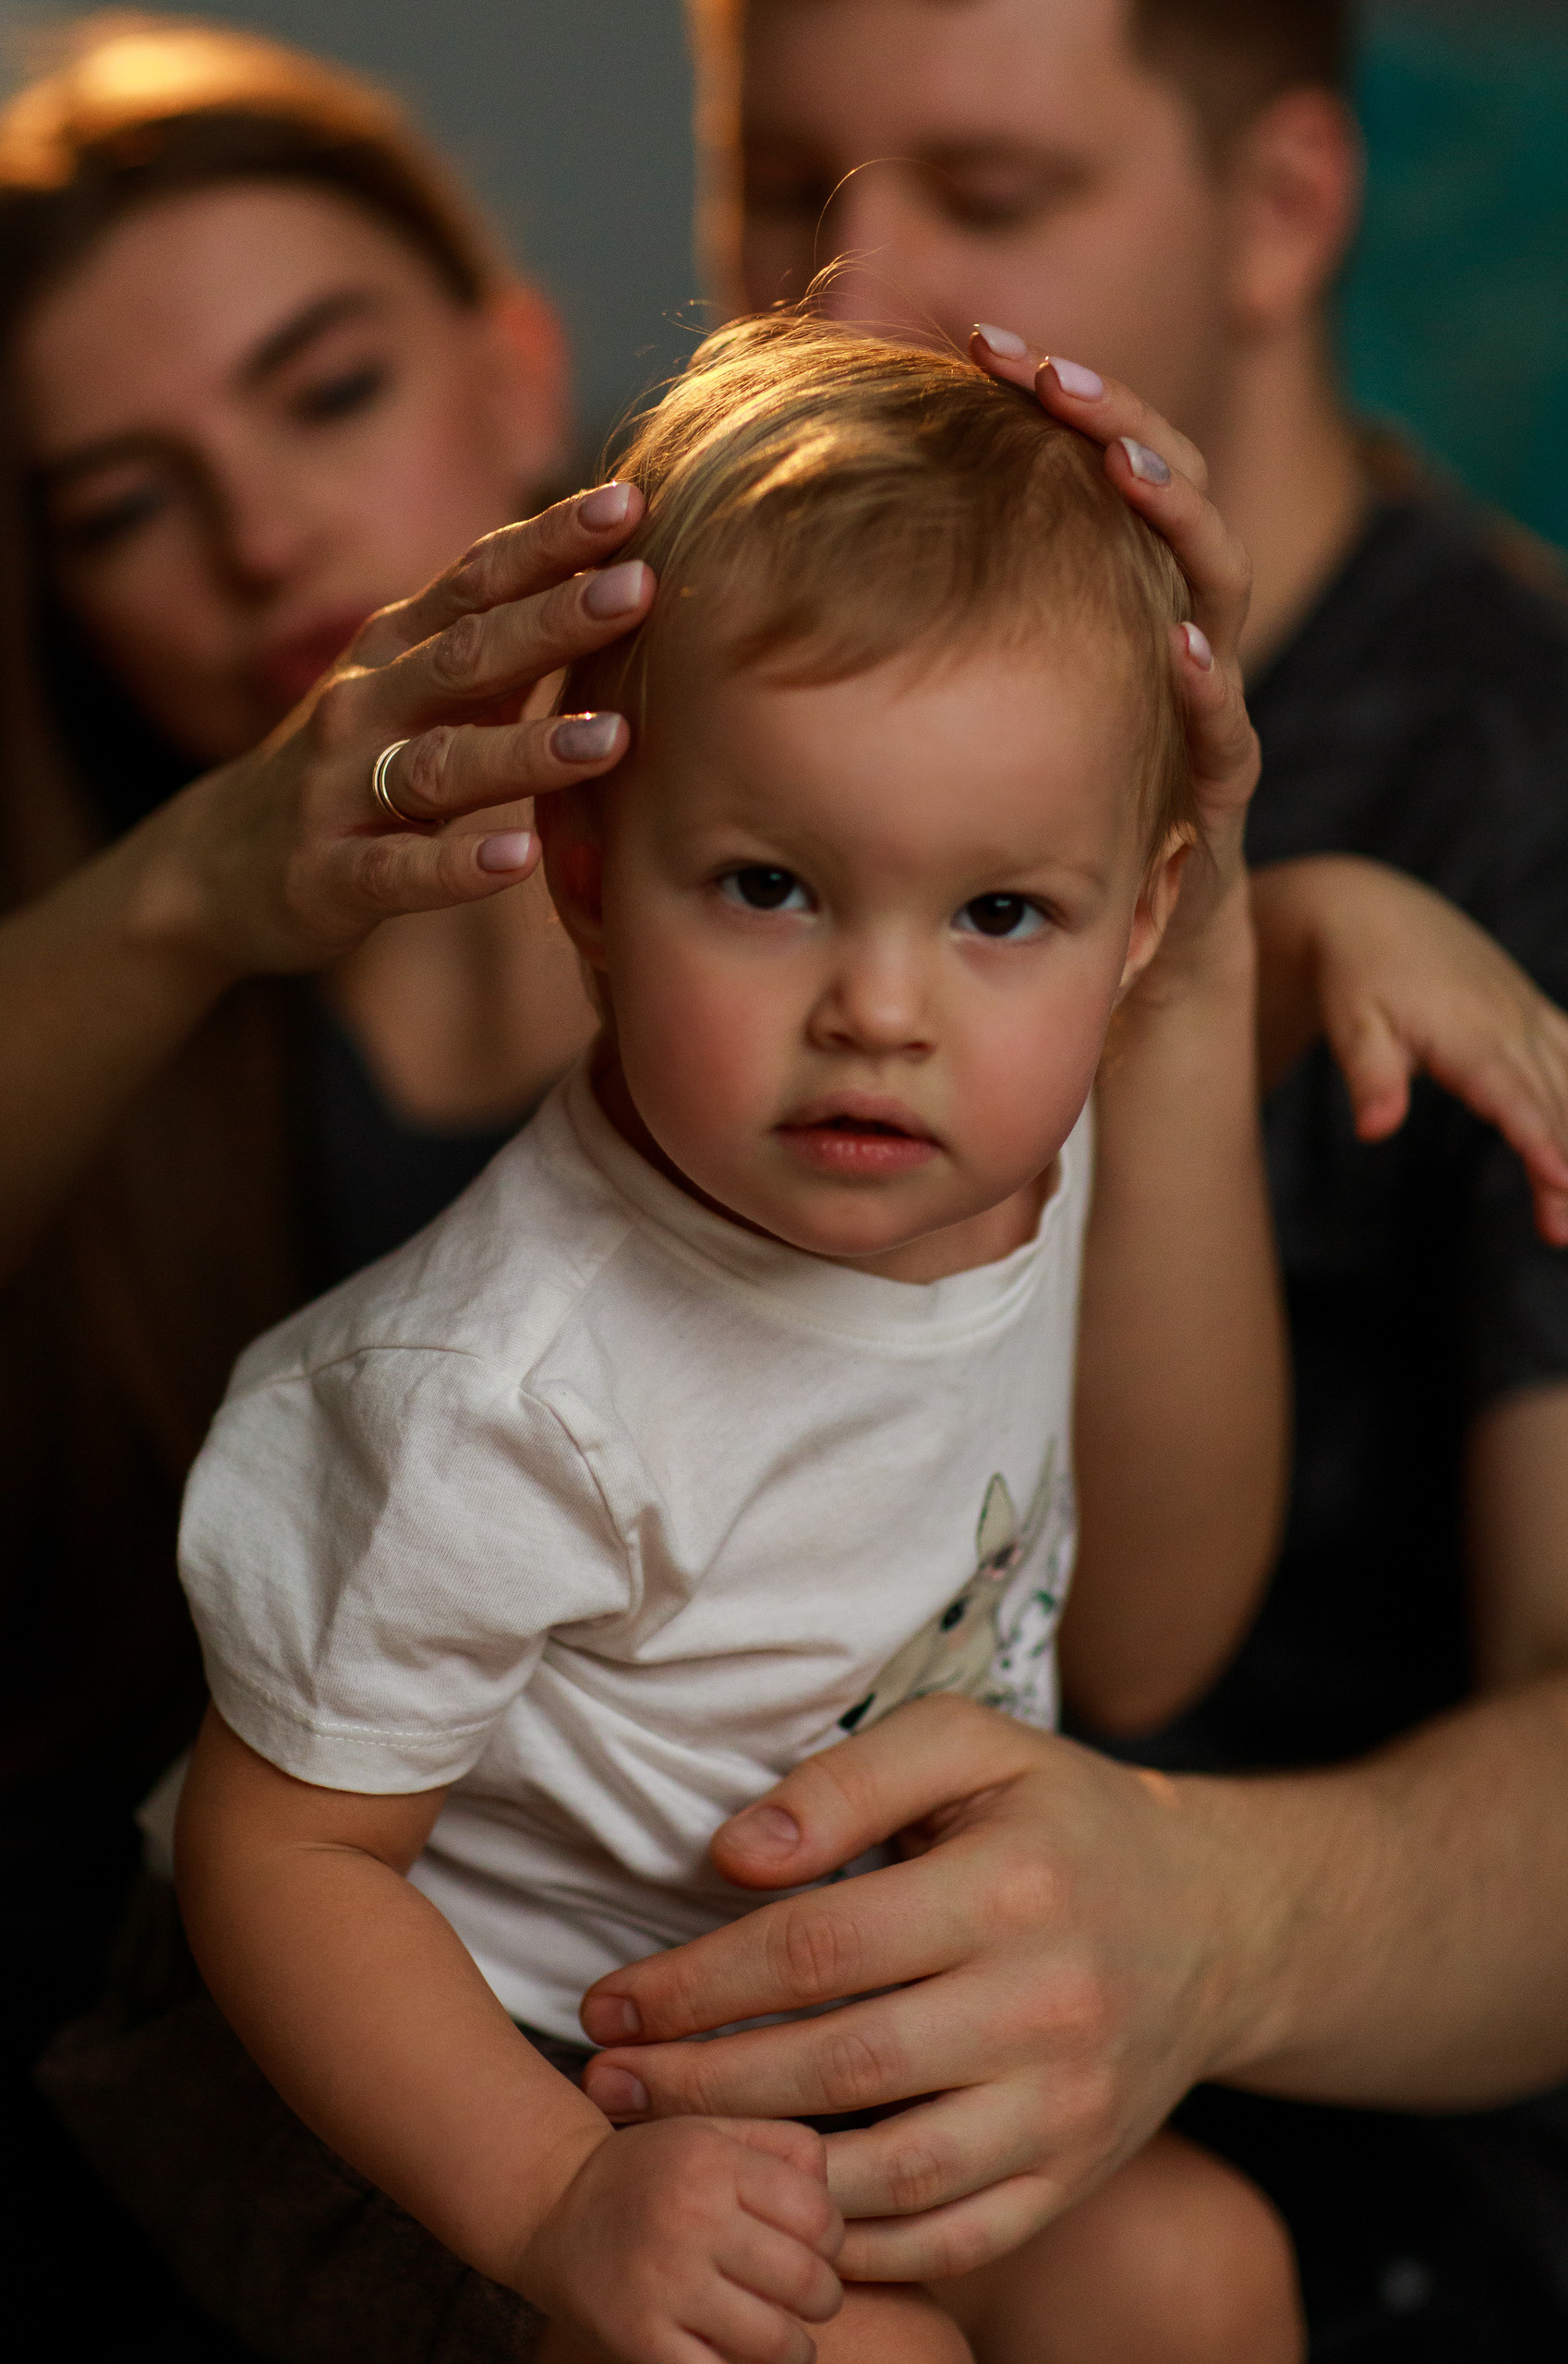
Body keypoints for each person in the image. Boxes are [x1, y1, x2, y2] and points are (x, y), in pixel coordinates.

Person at [546, 3, 1568, 2349]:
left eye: (991, 202)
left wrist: (1213, 1921)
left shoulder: (1516, 777)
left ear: (1287, 209)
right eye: (777, 194)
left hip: (1328, 2126)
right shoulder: (699, 628)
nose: (855, 307)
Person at [170, 311, 1298, 2364]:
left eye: (995, 915)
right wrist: (556, 2194)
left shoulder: (1018, 1166)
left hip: (797, 2044)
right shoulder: (493, 1391)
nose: (884, 1007)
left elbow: (1150, 1616)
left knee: (1198, 2271)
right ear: (589, 874)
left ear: (1140, 922)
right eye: (771, 885)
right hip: (430, 2066)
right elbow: (280, 1862)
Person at [0, 18, 657, 2350]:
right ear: (42, 594)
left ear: (511, 372)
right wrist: (196, 886)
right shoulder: (48, 961)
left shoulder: (813, 905)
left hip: (628, 2018)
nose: (259, 534)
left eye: (324, 390)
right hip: (90, 2004)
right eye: (122, 502)